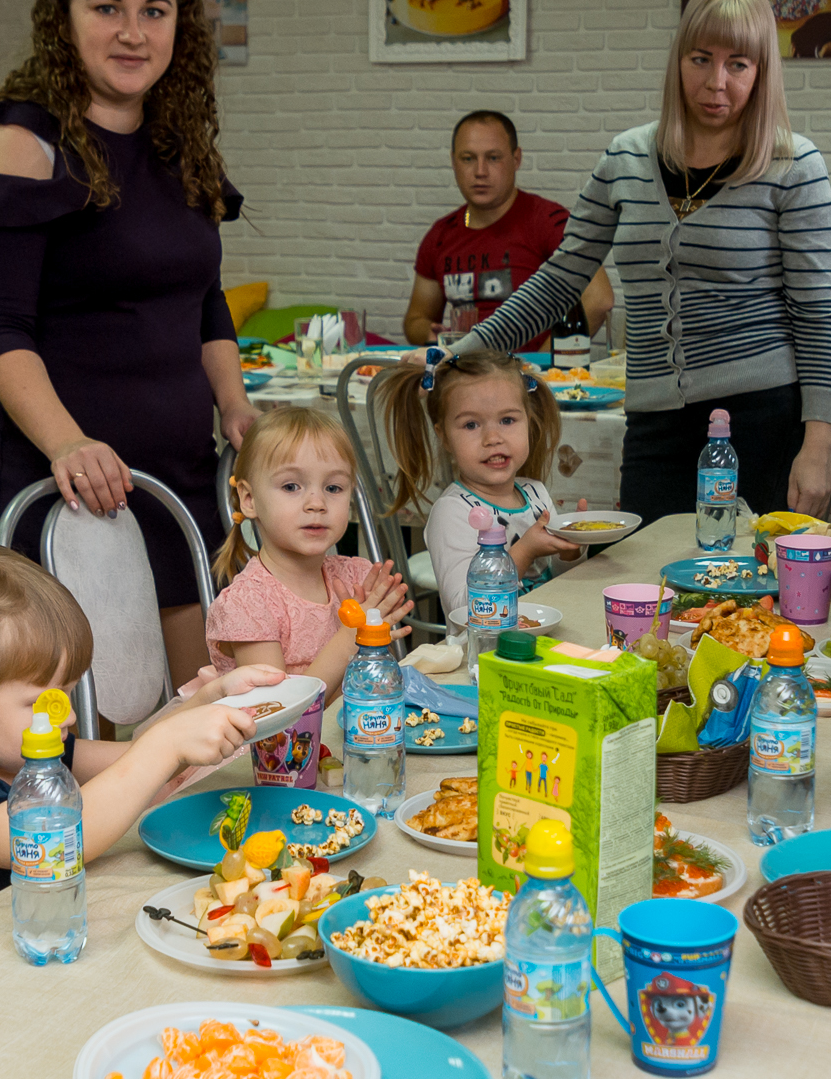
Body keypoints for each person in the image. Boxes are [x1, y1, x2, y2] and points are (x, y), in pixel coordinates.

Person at [0, 0, 256, 684]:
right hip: (71, 483)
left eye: (155, 10)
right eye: (106, 7)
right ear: (64, 18)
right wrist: (67, 445)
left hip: (178, 474)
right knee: (87, 728)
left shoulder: (175, 143)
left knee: (196, 707)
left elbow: (203, 299)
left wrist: (236, 402)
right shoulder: (22, 144)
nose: (133, 32)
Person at [452, 0, 831, 522]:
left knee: (747, 592)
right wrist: (464, 350)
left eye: (739, 65)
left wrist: (817, 446)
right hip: (654, 419)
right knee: (645, 585)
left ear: (762, 73)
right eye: (701, 59)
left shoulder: (794, 168)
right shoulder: (625, 159)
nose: (716, 84)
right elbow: (562, 276)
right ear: (678, 61)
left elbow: (816, 313)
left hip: (763, 421)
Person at [0, 545, 276, 946]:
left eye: (65, 694)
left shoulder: (29, 750)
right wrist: (168, 745)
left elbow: (132, 760)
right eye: (38, 702)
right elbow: (64, 844)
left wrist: (207, 702)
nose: (66, 716)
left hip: (57, 934)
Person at [205, 407, 415, 682]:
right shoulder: (248, 605)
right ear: (249, 499)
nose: (317, 503)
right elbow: (281, 713)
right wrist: (352, 636)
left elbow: (374, 681)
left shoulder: (357, 579)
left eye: (333, 488)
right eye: (291, 486)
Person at [378, 344, 585, 590]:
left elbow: (562, 583)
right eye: (471, 425)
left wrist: (571, 549)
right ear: (443, 436)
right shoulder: (453, 513)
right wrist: (526, 550)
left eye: (507, 420)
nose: (492, 437)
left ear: (528, 422)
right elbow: (465, 607)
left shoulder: (536, 493)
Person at [406, 111, 569, 343]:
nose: (480, 171)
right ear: (453, 162)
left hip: (529, 374)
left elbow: (599, 300)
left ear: (516, 159)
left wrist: (544, 360)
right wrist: (427, 332)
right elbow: (416, 319)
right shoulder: (440, 235)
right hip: (465, 370)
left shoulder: (547, 221)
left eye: (493, 158)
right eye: (468, 158)